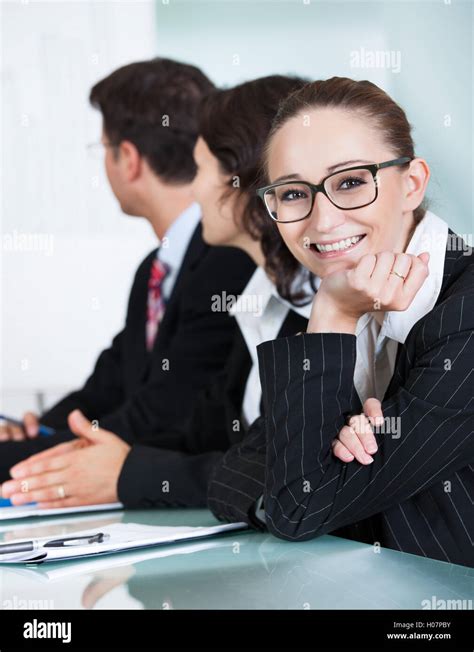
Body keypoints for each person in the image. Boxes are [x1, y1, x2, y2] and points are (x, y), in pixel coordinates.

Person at [0, 75, 311, 509]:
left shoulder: (245, 272)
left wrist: (120, 471)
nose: (195, 188)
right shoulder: (236, 286)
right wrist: (41, 434)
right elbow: (121, 388)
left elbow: (274, 466)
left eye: (201, 169)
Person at [207, 77, 474, 567]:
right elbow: (233, 470)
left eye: (351, 182)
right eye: (292, 194)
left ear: (412, 183)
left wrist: (332, 313)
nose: (323, 221)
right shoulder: (344, 298)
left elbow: (301, 508)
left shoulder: (466, 316)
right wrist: (335, 311)